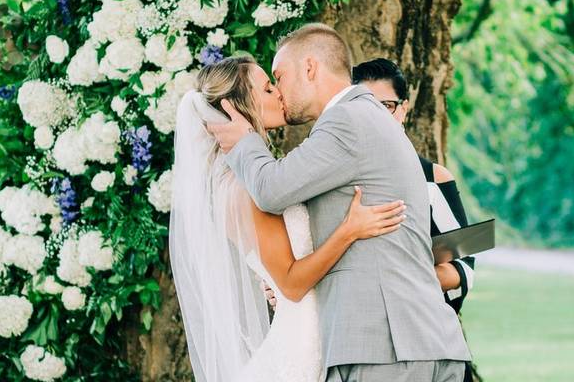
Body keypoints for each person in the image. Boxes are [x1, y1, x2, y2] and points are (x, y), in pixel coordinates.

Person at [209, 23, 472, 382]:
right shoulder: (366, 116)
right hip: (409, 343)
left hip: (387, 348)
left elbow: (270, 190)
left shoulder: (346, 121)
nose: (280, 92)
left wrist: (242, 142)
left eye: (279, 78)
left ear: (310, 68)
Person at [168, 54, 407, 382]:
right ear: (236, 108)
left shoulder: (254, 177)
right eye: (267, 89)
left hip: (320, 326)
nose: (279, 93)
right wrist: (349, 230)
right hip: (303, 341)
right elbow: (293, 284)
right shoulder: (243, 187)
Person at [353, 58, 478, 382]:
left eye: (388, 106)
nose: (379, 117)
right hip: (364, 351)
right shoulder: (338, 184)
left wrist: (402, 275)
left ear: (404, 109)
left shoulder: (434, 178)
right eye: (367, 107)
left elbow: (463, 270)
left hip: (432, 344)